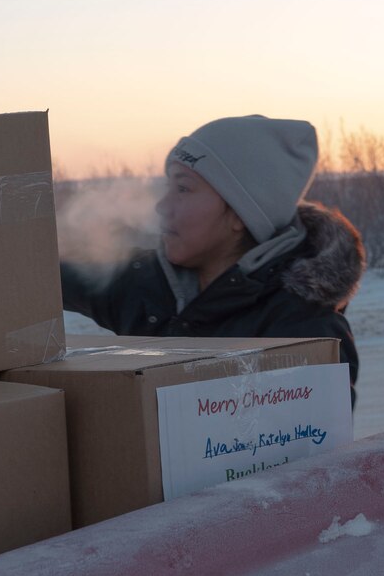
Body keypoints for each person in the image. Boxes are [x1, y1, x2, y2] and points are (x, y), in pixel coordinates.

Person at [61, 115, 364, 398]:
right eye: (169, 187)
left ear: (240, 215)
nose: (162, 206)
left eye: (183, 188)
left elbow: (306, 447)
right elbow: (37, 275)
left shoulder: (303, 332)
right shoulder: (146, 284)